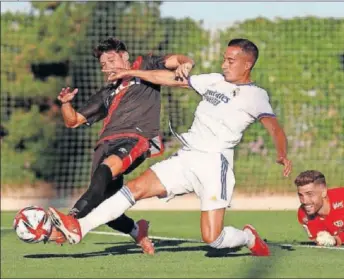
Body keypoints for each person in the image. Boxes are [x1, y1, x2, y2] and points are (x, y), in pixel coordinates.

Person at [49, 38, 292, 257]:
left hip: (214, 163)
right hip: (186, 157)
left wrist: (282, 154)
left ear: (247, 64)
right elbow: (165, 78)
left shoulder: (256, 95)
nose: (225, 64)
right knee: (135, 189)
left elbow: (275, 129)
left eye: (230, 60)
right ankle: (79, 227)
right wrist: (133, 72)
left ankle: (247, 236)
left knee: (213, 238)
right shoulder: (214, 80)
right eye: (223, 59)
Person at [48, 37, 195, 255]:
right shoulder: (107, 91)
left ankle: (72, 220)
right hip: (104, 144)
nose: (106, 65)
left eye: (110, 59)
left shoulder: (145, 65)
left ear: (124, 56)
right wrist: (66, 103)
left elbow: (180, 61)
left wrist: (186, 64)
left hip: (135, 138)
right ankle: (138, 231)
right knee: (103, 204)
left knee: (103, 174)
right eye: (103, 64)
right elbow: (73, 121)